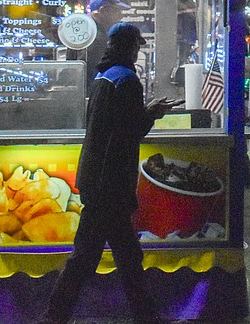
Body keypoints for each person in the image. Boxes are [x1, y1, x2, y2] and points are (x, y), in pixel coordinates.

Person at [40, 23, 180, 324]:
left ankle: (146, 316)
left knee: (125, 256)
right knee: (88, 259)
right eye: (137, 46)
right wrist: (152, 114)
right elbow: (130, 132)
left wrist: (146, 111)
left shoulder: (103, 76)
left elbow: (108, 127)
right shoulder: (128, 80)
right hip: (111, 184)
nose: (137, 50)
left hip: (96, 178)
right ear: (131, 48)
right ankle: (54, 317)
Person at [68, 0, 131, 90]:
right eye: (117, 11)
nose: (120, 16)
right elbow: (96, 73)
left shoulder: (85, 32)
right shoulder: (98, 39)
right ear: (103, 11)